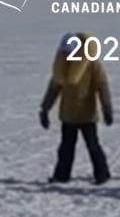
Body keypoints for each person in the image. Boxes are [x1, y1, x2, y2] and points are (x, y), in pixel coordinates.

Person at [38, 31, 115, 184]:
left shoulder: (92, 65)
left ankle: (102, 174)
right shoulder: (62, 66)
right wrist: (45, 108)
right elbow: (54, 88)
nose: (68, 55)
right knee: (66, 148)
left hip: (87, 115)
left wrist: (107, 108)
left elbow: (102, 86)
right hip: (68, 115)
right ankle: (61, 176)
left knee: (93, 146)